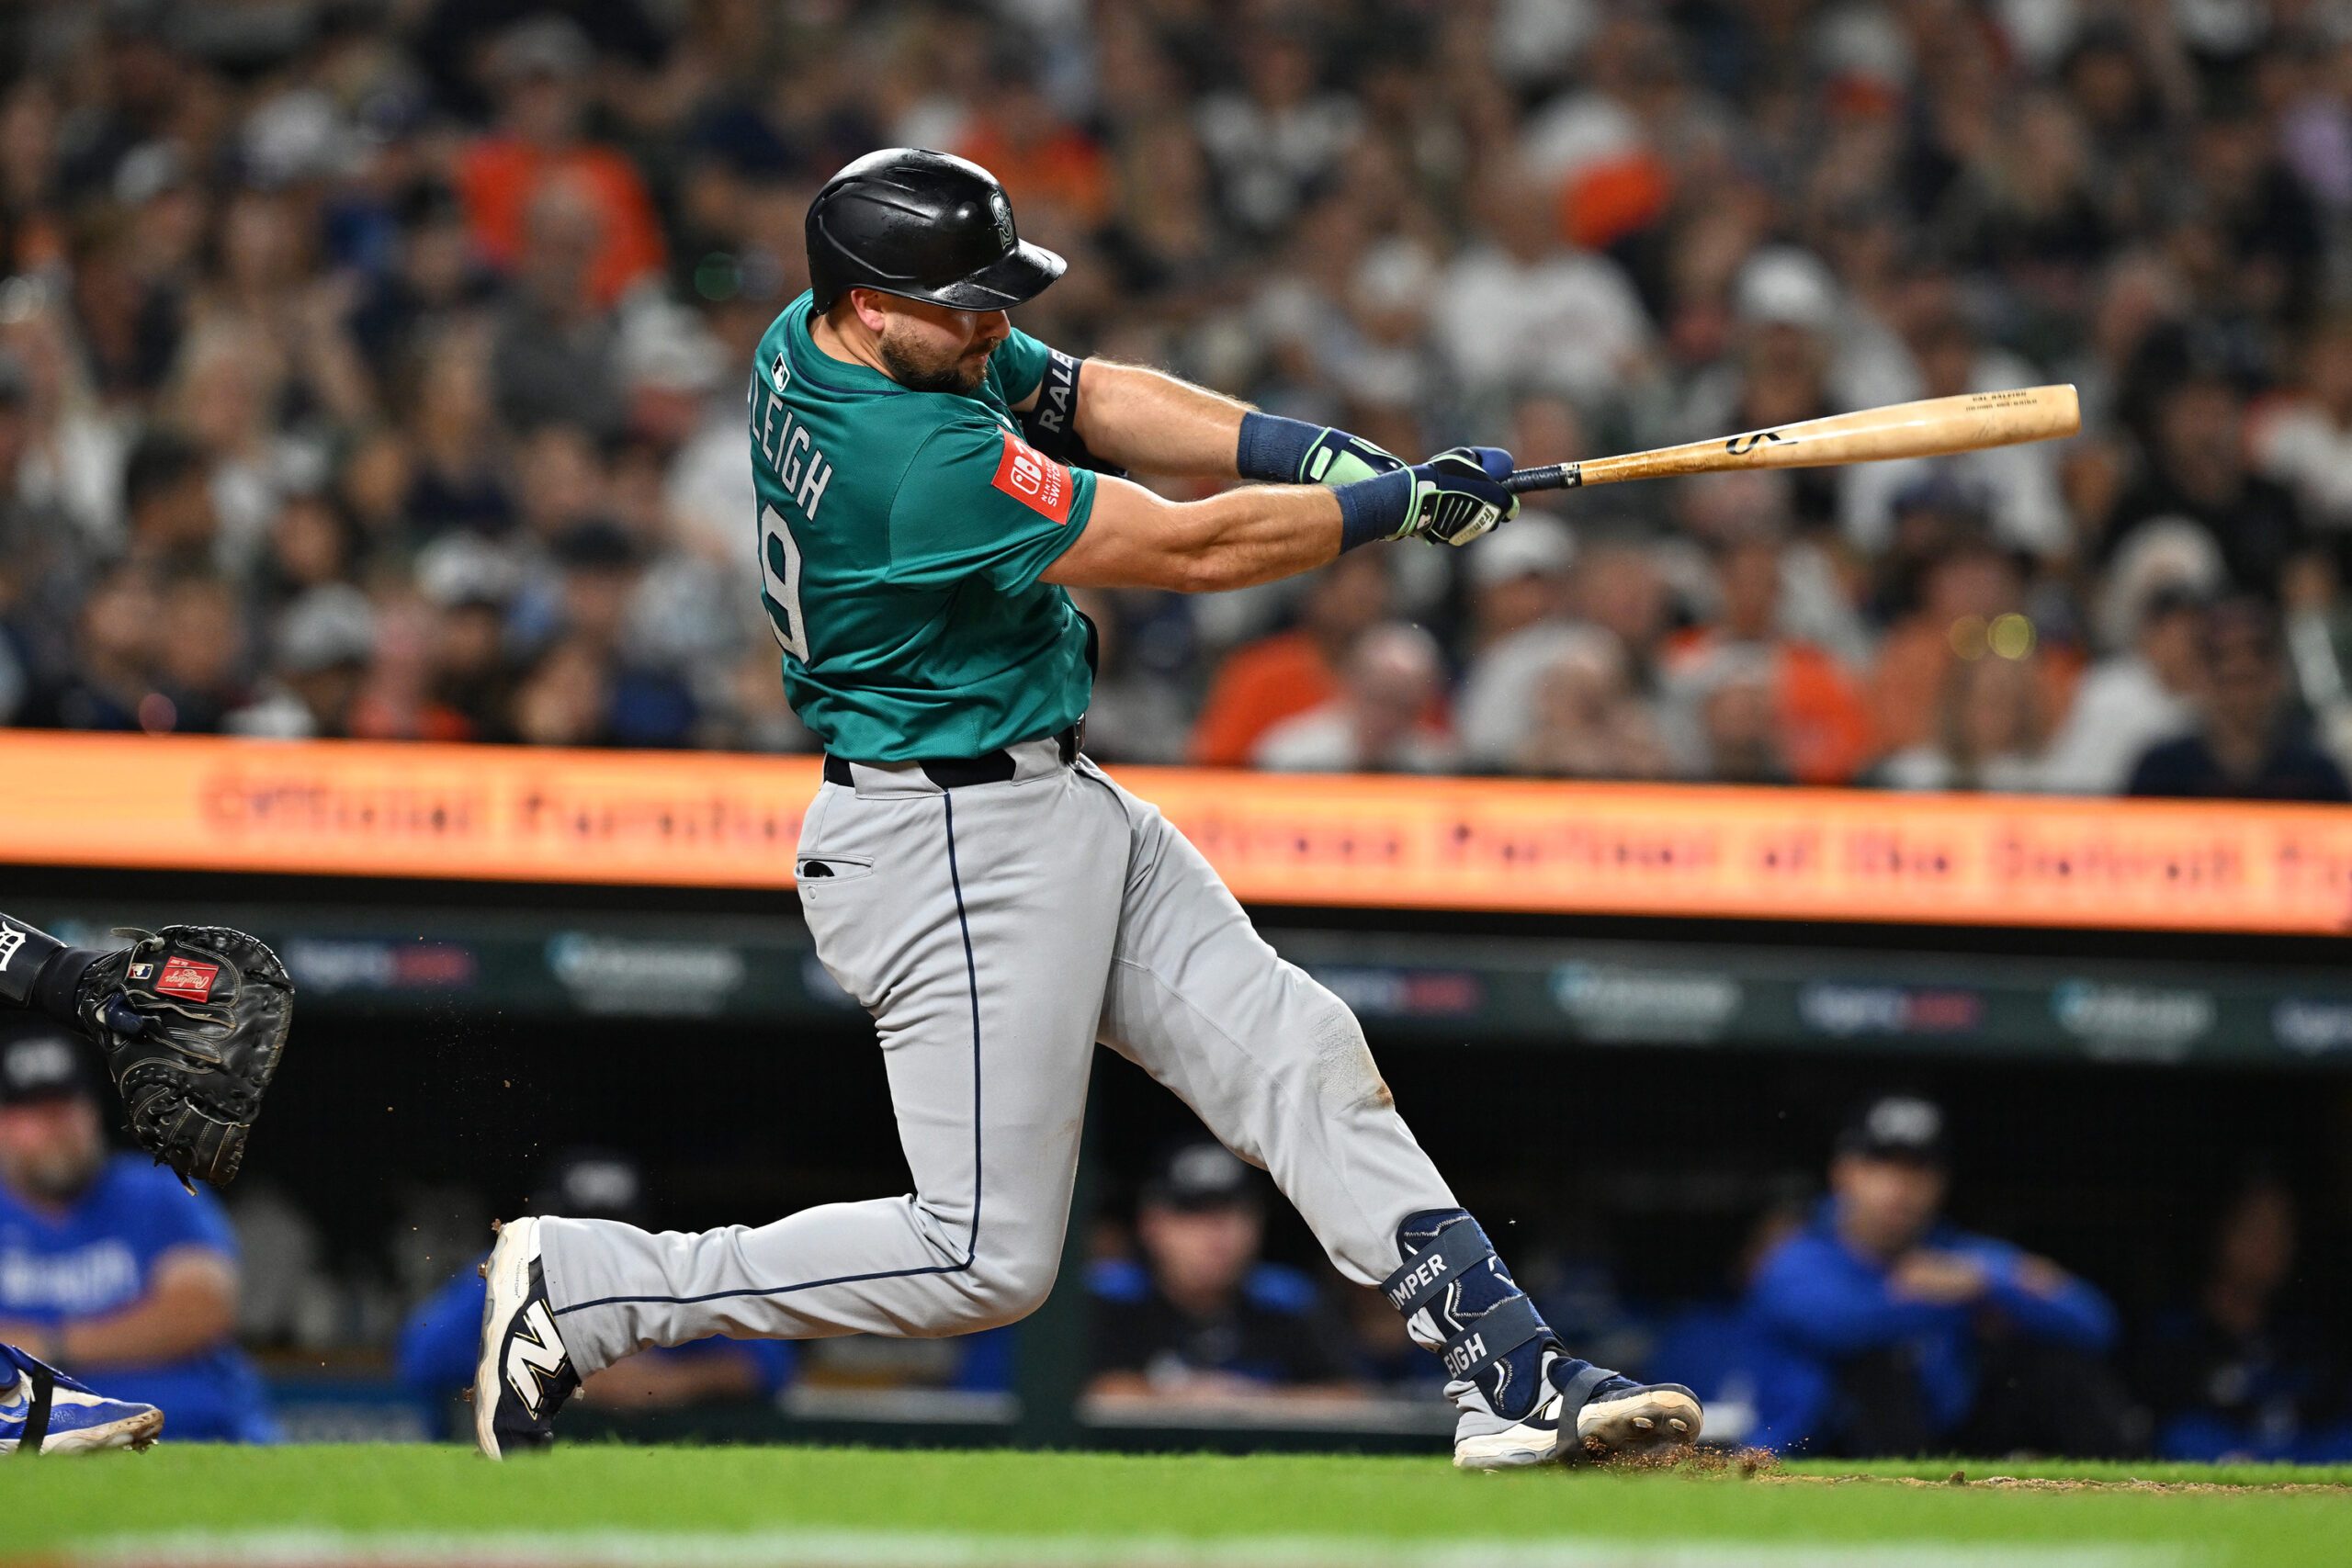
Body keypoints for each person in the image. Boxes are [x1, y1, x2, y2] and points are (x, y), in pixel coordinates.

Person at [475, 148, 1701, 1471]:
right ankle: (592, 1288)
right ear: (873, 304)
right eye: (965, 304)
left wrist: (1312, 453)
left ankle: (1509, 1371)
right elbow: (1188, 548)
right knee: (979, 1256)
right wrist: (1388, 510)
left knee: (1298, 1048)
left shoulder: (824, 331)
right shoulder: (910, 457)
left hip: (1038, 798)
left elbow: (1084, 394)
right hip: (947, 840)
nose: (992, 326)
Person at [1743, 1094, 2132, 1458]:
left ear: (1941, 1181)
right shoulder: (1798, 1256)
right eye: (1881, 1164)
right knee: (1877, 1367)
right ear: (1843, 1172)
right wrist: (1945, 1298)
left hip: (1944, 1442)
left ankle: (2126, 1495)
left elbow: (2094, 1322)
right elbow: (1842, 1325)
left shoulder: (1959, 1257)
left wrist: (1984, 1284)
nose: (1900, 1186)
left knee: (2056, 1368)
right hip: (1813, 1451)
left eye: (1918, 1168)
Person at [0, 1027, 274, 1444]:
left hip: (197, 1436)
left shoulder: (155, 1192)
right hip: (42, 1450)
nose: (56, 1127)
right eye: (34, 1113)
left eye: (67, 1107)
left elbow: (201, 1310)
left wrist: (46, 1347)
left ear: (92, 1113)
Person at [398, 1150, 791, 1436]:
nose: (596, 1245)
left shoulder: (663, 1274)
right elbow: (423, 1354)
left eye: (613, 1229)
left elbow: (773, 1362)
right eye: (579, 1229)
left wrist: (672, 1382)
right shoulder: (509, 1271)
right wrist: (562, 1377)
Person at [1088, 1143, 1363, 1404]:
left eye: (1232, 1211)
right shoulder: (1107, 1297)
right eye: (1193, 1213)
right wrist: (1183, 1399)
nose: (1216, 1233)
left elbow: (1354, 1398)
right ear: (1150, 1224)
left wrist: (1247, 1401)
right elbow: (1076, 1389)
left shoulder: (1291, 1301)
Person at [2134, 1175, 2352, 1463]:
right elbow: (2166, 1428)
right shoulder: (2174, 1335)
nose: (2271, 1245)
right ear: (2220, 1231)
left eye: (2282, 1230)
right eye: (2257, 1228)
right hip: (2218, 1466)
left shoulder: (2308, 1336)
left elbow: (2338, 1425)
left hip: (2303, 1463)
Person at [2127, 595, 2352, 802]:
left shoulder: (2315, 774)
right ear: (2201, 678)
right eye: (2229, 681)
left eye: (2251, 680)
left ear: (2276, 679)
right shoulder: (2161, 771)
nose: (2241, 697)